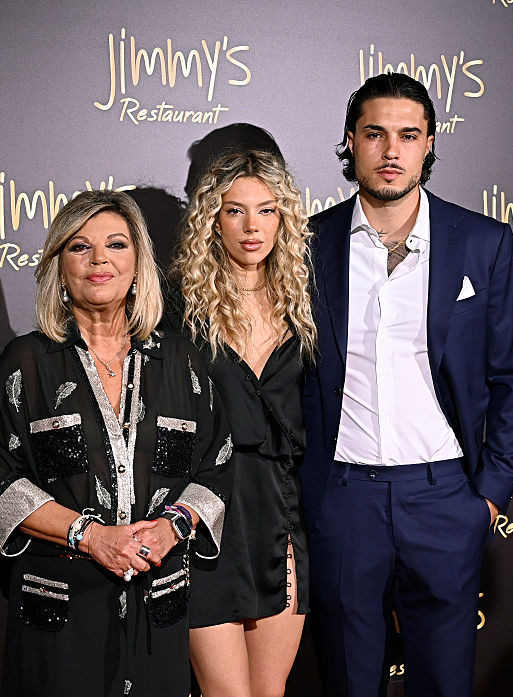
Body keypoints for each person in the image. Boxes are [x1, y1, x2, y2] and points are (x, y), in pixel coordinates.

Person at [302, 73, 513, 697]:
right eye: (375, 134)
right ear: (351, 142)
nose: (391, 151)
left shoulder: (482, 242)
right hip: (343, 498)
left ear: (430, 143)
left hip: (444, 496)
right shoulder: (306, 245)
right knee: (350, 681)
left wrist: (487, 493)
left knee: (444, 682)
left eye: (408, 135)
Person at [0, 189, 232, 697]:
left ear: (138, 262)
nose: (99, 260)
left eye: (116, 244)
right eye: (79, 247)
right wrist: (91, 537)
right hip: (59, 615)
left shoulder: (182, 362)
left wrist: (171, 527)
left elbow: (217, 467)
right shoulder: (25, 363)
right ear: (57, 265)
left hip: (157, 610)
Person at [167, 150, 317, 697]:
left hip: (281, 511)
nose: (253, 227)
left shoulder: (305, 304)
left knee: (270, 691)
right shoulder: (179, 308)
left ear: (284, 219)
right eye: (235, 211)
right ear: (213, 219)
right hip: (207, 515)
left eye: (267, 210)